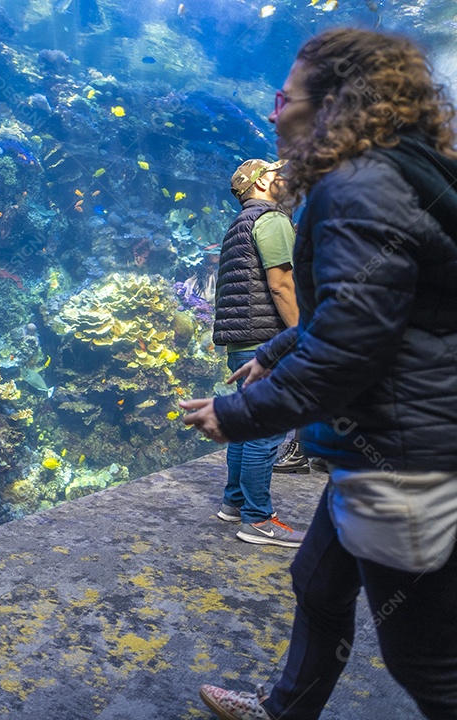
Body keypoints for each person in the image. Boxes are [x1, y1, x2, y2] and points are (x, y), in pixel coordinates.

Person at [181, 28, 457, 719]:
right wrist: (271, 354)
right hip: (392, 440)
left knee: (425, 661)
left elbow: (348, 350)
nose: (274, 113)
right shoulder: (394, 172)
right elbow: (358, 310)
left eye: (285, 97)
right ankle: (284, 710)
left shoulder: (359, 186)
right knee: (317, 583)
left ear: (332, 103)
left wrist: (237, 413)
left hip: (404, 455)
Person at [211, 157, 304, 547]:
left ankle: (234, 502)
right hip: (267, 341)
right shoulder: (271, 220)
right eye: (277, 174)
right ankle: (258, 519)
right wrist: (304, 332)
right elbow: (281, 285)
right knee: (266, 432)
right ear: (261, 184)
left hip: (242, 342)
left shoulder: (240, 224)